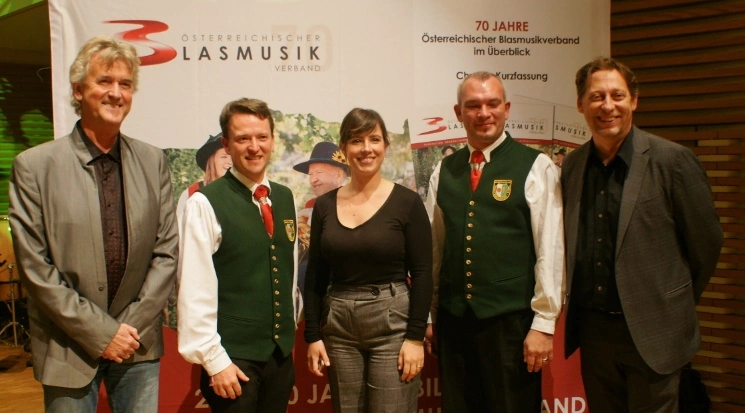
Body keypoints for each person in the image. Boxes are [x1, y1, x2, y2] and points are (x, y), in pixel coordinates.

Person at [8, 35, 179, 412]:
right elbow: (36, 269)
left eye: (125, 84)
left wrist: (125, 331)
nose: (116, 93)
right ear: (78, 89)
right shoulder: (35, 167)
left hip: (138, 344)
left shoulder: (153, 162)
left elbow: (166, 253)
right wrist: (102, 333)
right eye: (105, 81)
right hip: (68, 347)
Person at [562, 57, 723, 413]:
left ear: (634, 100)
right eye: (596, 96)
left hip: (655, 334)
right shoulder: (572, 167)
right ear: (580, 105)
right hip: (594, 333)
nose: (607, 106)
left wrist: (668, 304)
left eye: (617, 95)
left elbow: (706, 246)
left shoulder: (673, 160)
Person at [425, 71, 564, 413]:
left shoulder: (536, 166)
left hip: (511, 325)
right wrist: (430, 316)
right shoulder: (443, 171)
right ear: (459, 113)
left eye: (492, 104)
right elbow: (434, 252)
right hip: (455, 323)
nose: (483, 113)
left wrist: (543, 325)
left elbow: (551, 249)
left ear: (507, 108)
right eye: (473, 105)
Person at [304, 108, 433, 413]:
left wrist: (415, 338)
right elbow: (316, 276)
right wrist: (313, 335)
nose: (366, 148)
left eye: (374, 139)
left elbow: (424, 273)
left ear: (386, 146)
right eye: (356, 140)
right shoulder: (324, 206)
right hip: (339, 327)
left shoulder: (407, 202)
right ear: (344, 149)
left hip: (393, 324)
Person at [177, 98, 299, 413]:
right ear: (227, 146)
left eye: (261, 137)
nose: (254, 147)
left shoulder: (285, 198)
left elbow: (288, 274)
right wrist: (214, 361)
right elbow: (194, 288)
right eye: (243, 139)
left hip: (279, 357)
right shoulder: (205, 203)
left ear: (273, 140)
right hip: (232, 361)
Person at [293, 141, 348, 297]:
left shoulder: (355, 203)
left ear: (338, 175)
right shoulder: (309, 207)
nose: (313, 180)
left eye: (319, 173)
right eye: (311, 174)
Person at [176, 132, 233, 222]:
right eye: (223, 157)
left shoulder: (246, 193)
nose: (230, 162)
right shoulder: (191, 194)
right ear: (211, 161)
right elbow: (181, 231)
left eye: (233, 157)